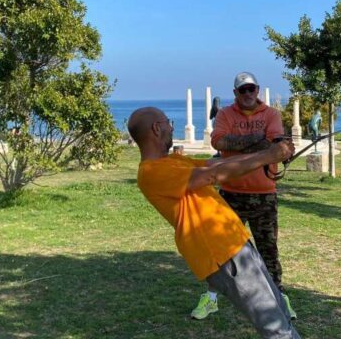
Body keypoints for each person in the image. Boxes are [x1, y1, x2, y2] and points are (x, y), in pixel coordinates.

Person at [128, 107, 300, 339]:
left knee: (278, 310)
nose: (171, 127)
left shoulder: (173, 162)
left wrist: (269, 152)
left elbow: (213, 165)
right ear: (157, 128)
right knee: (275, 327)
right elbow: (211, 176)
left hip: (235, 244)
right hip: (222, 253)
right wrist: (268, 157)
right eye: (168, 122)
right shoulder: (150, 172)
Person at [191, 71, 296, 321]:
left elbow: (275, 146)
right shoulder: (226, 114)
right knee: (221, 250)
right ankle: (212, 297)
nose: (248, 94)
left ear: (257, 90)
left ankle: (280, 299)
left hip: (264, 195)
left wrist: (241, 143)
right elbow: (219, 143)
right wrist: (261, 142)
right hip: (230, 194)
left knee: (269, 250)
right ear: (235, 93)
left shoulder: (271, 114)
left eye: (252, 89)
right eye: (243, 90)